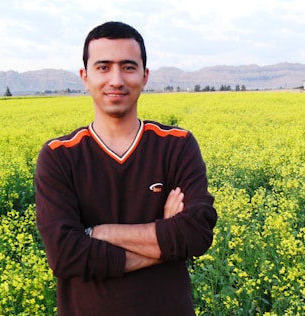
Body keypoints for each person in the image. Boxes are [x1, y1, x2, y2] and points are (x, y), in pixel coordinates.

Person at [34, 21, 217, 315]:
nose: (116, 79)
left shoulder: (177, 145)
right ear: (85, 76)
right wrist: (167, 240)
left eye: (128, 67)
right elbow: (65, 255)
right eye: (103, 67)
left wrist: (96, 233)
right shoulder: (59, 156)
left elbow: (196, 233)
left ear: (144, 77)